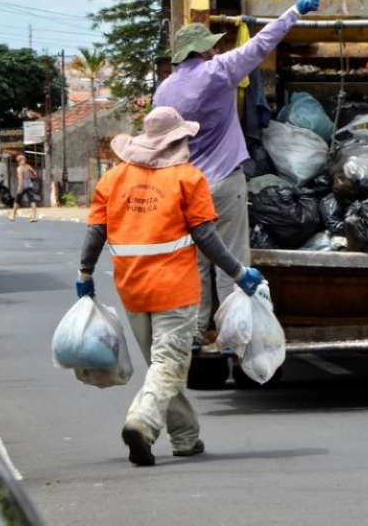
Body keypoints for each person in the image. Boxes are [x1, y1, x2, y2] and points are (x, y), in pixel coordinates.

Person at [75, 106, 267, 467]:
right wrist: (239, 272)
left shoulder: (112, 180)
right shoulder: (187, 178)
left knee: (163, 367)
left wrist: (84, 275)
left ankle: (186, 437)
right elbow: (207, 237)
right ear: (177, 140)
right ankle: (142, 423)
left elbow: (94, 233)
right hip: (175, 291)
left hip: (132, 290)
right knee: (169, 363)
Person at [153, 0, 320, 348]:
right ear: (203, 50)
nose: (218, 47)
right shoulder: (219, 71)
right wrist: (296, 10)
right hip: (224, 184)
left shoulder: (163, 91)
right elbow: (261, 44)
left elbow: (159, 141)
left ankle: (197, 333)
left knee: (196, 264)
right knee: (231, 262)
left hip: (184, 188)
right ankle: (232, 335)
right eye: (213, 44)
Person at [10, 154, 38, 222]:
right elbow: (35, 173)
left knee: (17, 201)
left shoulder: (19, 168)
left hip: (23, 187)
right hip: (30, 185)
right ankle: (34, 217)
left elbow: (20, 179)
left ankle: (13, 216)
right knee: (32, 201)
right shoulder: (28, 166)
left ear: (18, 161)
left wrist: (20, 188)